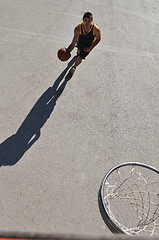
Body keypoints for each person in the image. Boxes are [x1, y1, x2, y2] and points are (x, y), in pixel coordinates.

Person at [67, 12, 101, 78]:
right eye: (85, 20)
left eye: (89, 21)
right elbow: (73, 43)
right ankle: (78, 52)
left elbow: (98, 39)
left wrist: (90, 48)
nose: (87, 22)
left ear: (92, 21)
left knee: (80, 57)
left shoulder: (96, 29)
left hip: (88, 46)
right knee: (79, 52)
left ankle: (74, 67)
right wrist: (67, 51)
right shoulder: (78, 28)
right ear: (83, 19)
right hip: (80, 42)